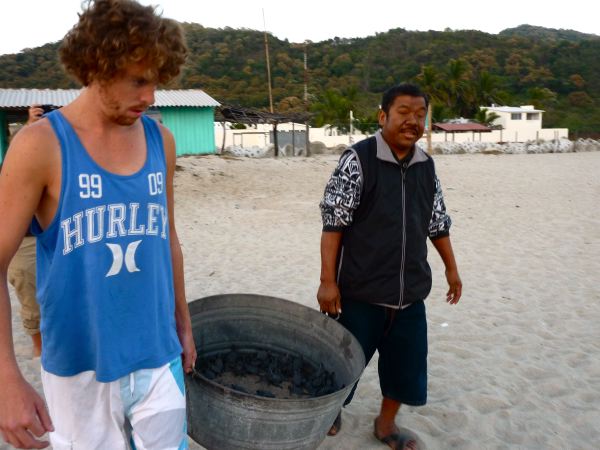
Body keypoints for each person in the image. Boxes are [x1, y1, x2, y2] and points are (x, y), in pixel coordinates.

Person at [0, 1, 195, 449]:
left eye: (156, 82)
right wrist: (7, 379)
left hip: (157, 355)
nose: (150, 98)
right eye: (138, 80)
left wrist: (183, 325)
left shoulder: (160, 140)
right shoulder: (40, 146)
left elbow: (168, 239)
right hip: (77, 367)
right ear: (95, 66)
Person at [317, 83, 462, 450]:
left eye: (420, 114)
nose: (412, 121)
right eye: (403, 112)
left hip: (410, 295)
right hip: (361, 292)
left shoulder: (426, 167)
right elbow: (334, 223)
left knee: (405, 366)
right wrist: (327, 282)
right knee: (342, 362)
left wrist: (451, 269)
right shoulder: (358, 159)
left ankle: (385, 424)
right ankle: (329, 411)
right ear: (383, 116)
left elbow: (437, 222)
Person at [3, 106, 45, 358]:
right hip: (25, 241)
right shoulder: (13, 161)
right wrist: (31, 127)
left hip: (54, 238)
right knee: (32, 302)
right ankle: (41, 352)